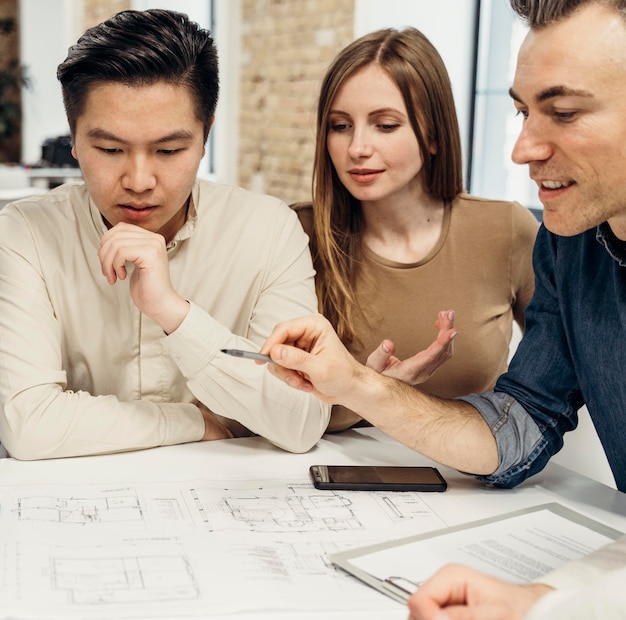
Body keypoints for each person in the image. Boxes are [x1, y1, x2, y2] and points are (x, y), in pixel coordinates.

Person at [260, 0, 626, 616]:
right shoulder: (569, 250)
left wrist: (553, 600)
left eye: (562, 112)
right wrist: (356, 384)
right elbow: (521, 424)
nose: (521, 149)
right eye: (520, 110)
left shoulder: (511, 229)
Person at [0, 8, 329, 460]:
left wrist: (175, 314)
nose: (139, 180)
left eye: (169, 149)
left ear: (205, 135)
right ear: (73, 139)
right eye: (110, 149)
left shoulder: (268, 229)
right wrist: (197, 421)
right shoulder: (25, 234)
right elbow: (30, 427)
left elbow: (300, 421)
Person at [292, 27, 538, 432]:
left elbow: (551, 388)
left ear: (434, 136)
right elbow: (270, 406)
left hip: (474, 485)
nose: (357, 148)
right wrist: (373, 391)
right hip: (330, 479)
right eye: (340, 126)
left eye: (385, 126)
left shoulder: (506, 230)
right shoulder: (299, 233)